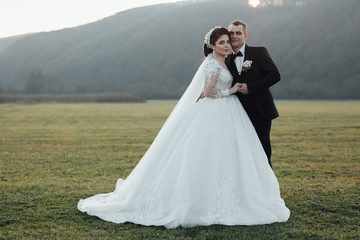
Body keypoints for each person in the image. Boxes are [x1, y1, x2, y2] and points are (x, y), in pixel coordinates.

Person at [78, 27, 290, 229]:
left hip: (230, 112)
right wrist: (231, 90)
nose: (227, 45)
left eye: (227, 42)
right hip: (215, 110)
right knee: (205, 153)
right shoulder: (212, 64)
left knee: (230, 154)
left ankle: (231, 196)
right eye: (222, 42)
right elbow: (207, 92)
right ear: (213, 45)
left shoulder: (226, 62)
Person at [226, 20, 280, 168]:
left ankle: (267, 190)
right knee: (240, 154)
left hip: (260, 111)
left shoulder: (259, 52)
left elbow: (274, 75)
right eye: (231, 33)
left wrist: (251, 87)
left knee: (262, 151)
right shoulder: (226, 59)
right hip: (236, 113)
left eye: (238, 33)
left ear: (245, 35)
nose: (235, 36)